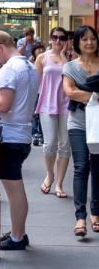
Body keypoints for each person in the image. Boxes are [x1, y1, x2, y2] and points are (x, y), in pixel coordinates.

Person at [0, 31, 36, 251]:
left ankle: (18, 237)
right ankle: (16, 233)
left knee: (15, 189)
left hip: (11, 135)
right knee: (13, 189)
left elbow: (3, 106)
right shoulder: (29, 66)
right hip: (22, 134)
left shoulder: (10, 68)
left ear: (0, 47)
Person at [62, 25, 99, 238]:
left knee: (97, 167)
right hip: (77, 123)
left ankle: (96, 214)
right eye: (84, 39)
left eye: (92, 38)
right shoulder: (70, 67)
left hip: (98, 124)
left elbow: (77, 92)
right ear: (77, 42)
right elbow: (70, 92)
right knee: (81, 167)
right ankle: (81, 217)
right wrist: (95, 95)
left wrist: (82, 92)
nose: (89, 42)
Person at [35, 26, 72, 198]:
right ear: (50, 38)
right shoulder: (42, 57)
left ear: (66, 40)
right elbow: (36, 85)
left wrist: (64, 55)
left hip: (67, 104)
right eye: (55, 37)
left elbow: (73, 78)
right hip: (47, 103)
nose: (58, 40)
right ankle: (50, 175)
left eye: (62, 38)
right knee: (50, 144)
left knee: (65, 144)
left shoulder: (71, 58)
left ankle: (59, 184)